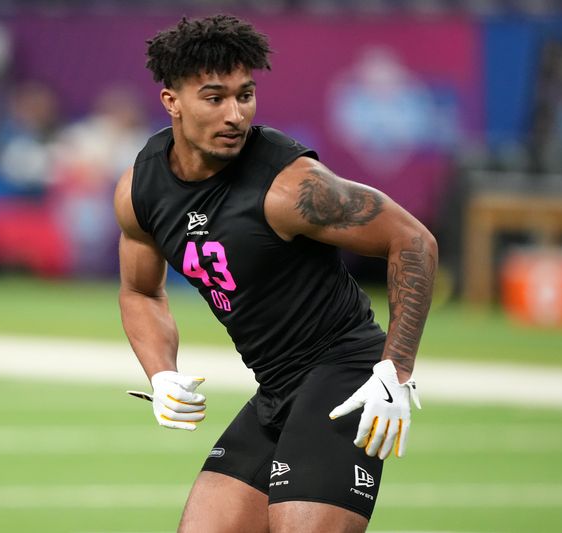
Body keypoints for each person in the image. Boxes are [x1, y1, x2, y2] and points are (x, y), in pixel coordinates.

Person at [114, 14, 437, 533]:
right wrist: (161, 371)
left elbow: (414, 241)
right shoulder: (142, 187)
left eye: (245, 95)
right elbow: (140, 291)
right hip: (275, 386)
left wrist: (395, 372)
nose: (235, 114)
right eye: (215, 98)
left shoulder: (287, 186)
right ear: (171, 101)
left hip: (346, 373)